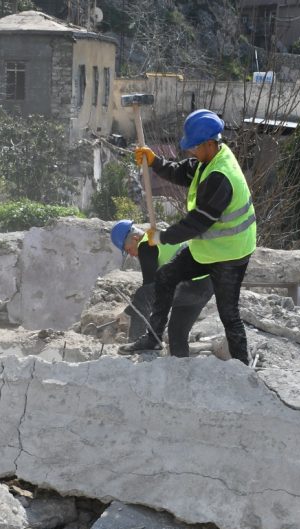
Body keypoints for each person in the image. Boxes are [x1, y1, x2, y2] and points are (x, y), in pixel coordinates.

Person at [118, 109, 257, 364]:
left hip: (231, 253)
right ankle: (152, 337)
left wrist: (162, 237)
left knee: (229, 314)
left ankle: (242, 369)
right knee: (166, 276)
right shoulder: (208, 160)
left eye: (194, 147)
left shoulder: (220, 176)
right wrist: (154, 161)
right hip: (210, 248)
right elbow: (183, 172)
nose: (190, 152)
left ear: (209, 143)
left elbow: (196, 224)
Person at [109, 219, 212, 357]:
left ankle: (134, 349)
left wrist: (131, 312)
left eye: (128, 250)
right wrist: (130, 310)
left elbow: (148, 292)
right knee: (177, 335)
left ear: (135, 238)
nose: (132, 255)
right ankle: (181, 370)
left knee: (143, 294)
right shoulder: (158, 236)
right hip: (205, 285)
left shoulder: (146, 244)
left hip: (188, 285)